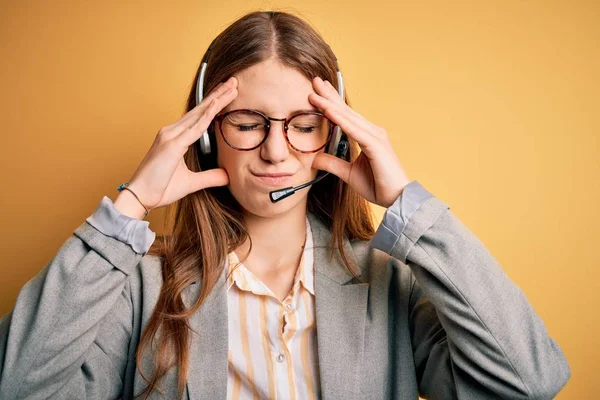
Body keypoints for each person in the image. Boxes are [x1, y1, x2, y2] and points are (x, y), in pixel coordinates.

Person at [0, 10, 570, 400]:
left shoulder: (390, 281)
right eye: (247, 124)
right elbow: (18, 386)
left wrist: (408, 207)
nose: (276, 151)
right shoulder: (140, 287)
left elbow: (530, 381)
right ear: (205, 135)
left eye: (303, 125)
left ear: (338, 136)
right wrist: (129, 207)